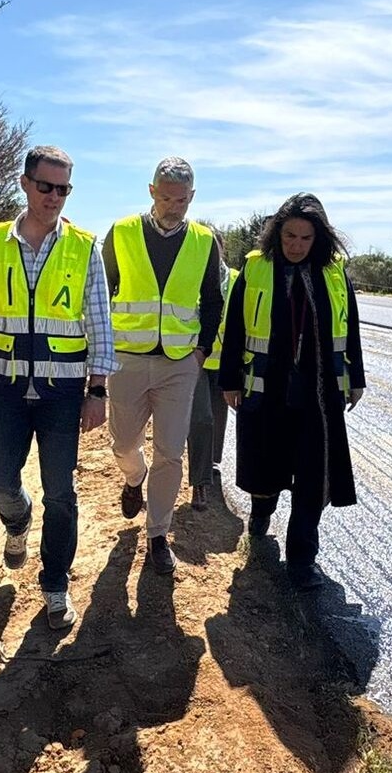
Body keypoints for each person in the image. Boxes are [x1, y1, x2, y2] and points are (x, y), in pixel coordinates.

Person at [0, 145, 115, 630]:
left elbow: (100, 322)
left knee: (61, 492)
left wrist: (97, 389)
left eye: (64, 189)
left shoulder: (83, 246)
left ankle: (55, 586)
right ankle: (17, 521)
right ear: (25, 183)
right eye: (46, 186)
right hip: (5, 386)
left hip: (63, 393)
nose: (55, 197)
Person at [219, 193, 366, 590]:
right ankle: (260, 512)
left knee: (313, 475)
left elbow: (349, 328)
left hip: (319, 396)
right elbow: (234, 328)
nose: (297, 245)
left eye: (305, 238)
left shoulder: (334, 274)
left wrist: (356, 379)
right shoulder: (256, 270)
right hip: (267, 388)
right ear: (276, 234)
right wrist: (229, 379)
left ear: (319, 239)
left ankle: (302, 559)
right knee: (266, 466)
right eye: (289, 236)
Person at [104, 157, 226, 573]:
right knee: (123, 444)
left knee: (170, 453)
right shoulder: (120, 232)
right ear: (152, 191)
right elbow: (101, 293)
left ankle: (158, 535)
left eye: (183, 200)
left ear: (192, 197)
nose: (174, 206)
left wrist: (202, 350)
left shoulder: (204, 241)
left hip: (179, 363)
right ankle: (133, 479)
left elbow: (213, 299)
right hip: (127, 360)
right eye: (167, 197)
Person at [185, 233, 238, 512]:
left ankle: (212, 466)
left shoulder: (238, 278)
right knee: (202, 419)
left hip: (228, 364)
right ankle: (200, 483)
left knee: (219, 419)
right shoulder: (191, 276)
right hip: (198, 361)